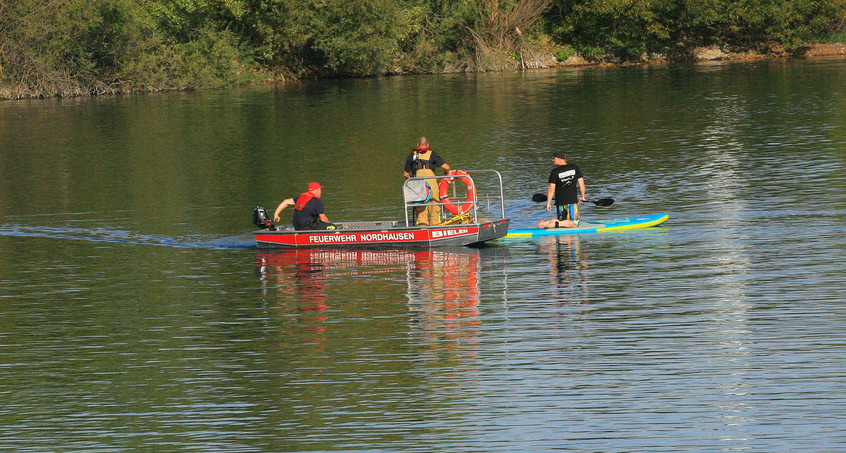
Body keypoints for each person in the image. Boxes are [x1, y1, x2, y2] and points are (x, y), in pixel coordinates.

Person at [403, 137, 451, 226]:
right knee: (434, 209)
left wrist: (411, 182)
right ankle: (435, 229)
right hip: (432, 188)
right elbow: (447, 167)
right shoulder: (433, 154)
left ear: (417, 145)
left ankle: (422, 229)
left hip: (419, 187)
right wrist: (446, 174)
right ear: (428, 145)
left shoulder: (411, 155)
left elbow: (406, 174)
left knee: (421, 211)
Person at [538, 151, 587, 229]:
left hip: (560, 202)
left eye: (553, 158)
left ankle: (545, 223)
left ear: (558, 158)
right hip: (572, 201)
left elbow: (551, 189)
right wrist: (583, 197)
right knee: (574, 224)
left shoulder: (554, 172)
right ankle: (553, 222)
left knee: (564, 223)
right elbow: (581, 184)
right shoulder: (574, 167)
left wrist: (548, 203)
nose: (552, 160)